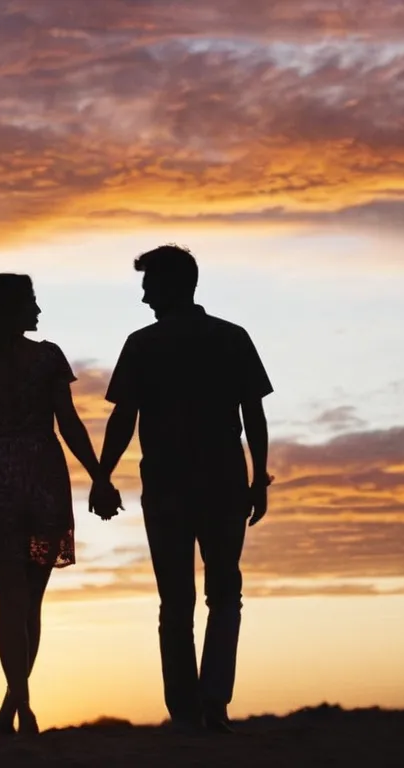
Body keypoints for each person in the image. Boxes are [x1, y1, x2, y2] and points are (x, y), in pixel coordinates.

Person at [98, 245, 273, 734]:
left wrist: (103, 475)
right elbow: (253, 415)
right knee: (223, 591)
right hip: (219, 480)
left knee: (178, 599)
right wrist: (258, 476)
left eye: (149, 285)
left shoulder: (144, 344)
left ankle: (188, 710)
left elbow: (123, 418)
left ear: (174, 285)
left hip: (175, 484)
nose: (144, 296)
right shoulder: (230, 338)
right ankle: (210, 704)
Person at [0, 273, 121, 737]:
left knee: (14, 601)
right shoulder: (46, 358)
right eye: (32, 302)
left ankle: (15, 705)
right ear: (13, 308)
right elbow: (69, 425)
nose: (39, 312)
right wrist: (98, 475)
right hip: (42, 473)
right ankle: (20, 707)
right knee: (29, 604)